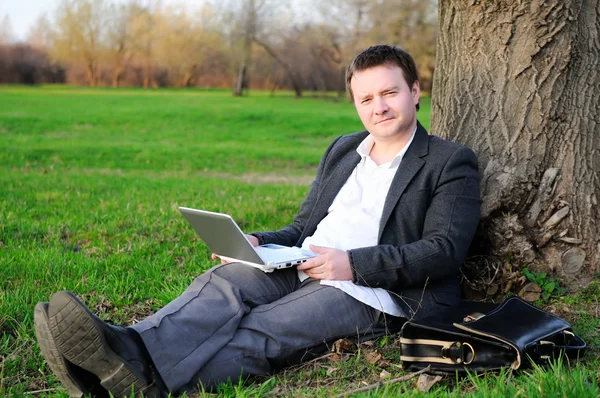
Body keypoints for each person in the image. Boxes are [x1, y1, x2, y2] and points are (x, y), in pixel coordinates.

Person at [34, 44, 481, 397]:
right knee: (226, 282)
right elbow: (304, 224)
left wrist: (354, 265)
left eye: (389, 93)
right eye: (366, 98)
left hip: (373, 289)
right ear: (355, 105)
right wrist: (257, 242)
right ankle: (125, 348)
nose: (379, 107)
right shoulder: (345, 149)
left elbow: (443, 250)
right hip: (303, 260)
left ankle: (138, 384)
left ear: (415, 92)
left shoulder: (448, 161)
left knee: (264, 326)